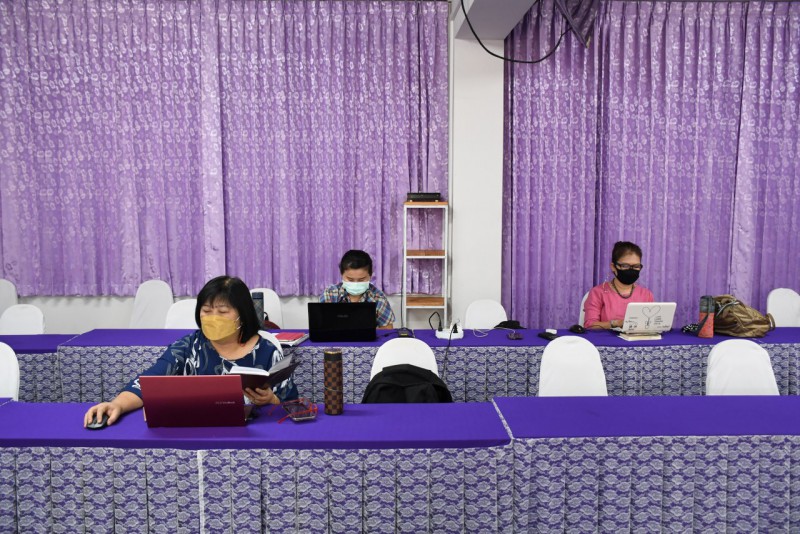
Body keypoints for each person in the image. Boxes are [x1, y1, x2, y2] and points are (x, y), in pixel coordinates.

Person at [83, 276, 298, 427]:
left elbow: (292, 405)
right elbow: (148, 381)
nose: (213, 318)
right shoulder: (189, 346)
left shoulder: (267, 350)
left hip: (253, 435)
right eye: (206, 311)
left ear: (242, 315)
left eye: (222, 312)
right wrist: (117, 405)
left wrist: (271, 400)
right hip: (197, 432)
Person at [583, 241, 655, 329]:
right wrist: (617, 323)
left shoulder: (646, 294)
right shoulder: (598, 293)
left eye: (636, 266)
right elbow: (590, 325)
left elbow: (650, 324)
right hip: (605, 338)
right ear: (613, 267)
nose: (631, 270)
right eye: (625, 266)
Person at [319, 249, 395, 328]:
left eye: (361, 279)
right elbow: (321, 325)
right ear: (342, 274)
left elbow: (387, 329)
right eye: (350, 279)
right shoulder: (330, 294)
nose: (355, 284)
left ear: (370, 275)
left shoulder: (378, 298)